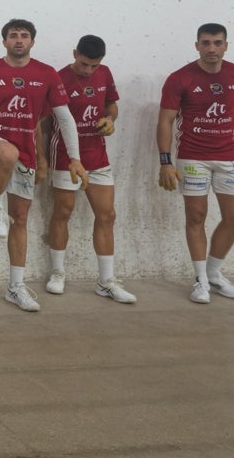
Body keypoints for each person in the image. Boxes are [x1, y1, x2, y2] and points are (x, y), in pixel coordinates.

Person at [0, 18, 86, 313]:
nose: (19, 40)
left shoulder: (46, 74)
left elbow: (65, 117)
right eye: (13, 35)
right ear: (4, 41)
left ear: (32, 41)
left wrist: (76, 157)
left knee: (20, 217)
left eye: (24, 35)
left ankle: (15, 286)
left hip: (26, 147)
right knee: (6, 154)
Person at [157, 23, 234, 304]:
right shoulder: (180, 78)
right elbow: (165, 120)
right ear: (197, 45)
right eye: (206, 42)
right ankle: (200, 280)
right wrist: (165, 161)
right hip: (192, 157)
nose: (212, 48)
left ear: (226, 45)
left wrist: (231, 140)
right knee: (196, 217)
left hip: (229, 158)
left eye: (217, 43)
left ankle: (213, 274)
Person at [42, 35, 135, 304]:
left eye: (94, 66)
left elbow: (111, 105)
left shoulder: (104, 74)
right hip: (65, 157)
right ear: (74, 53)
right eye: (83, 64)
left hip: (98, 159)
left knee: (107, 215)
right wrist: (42, 158)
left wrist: (109, 118)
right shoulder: (58, 78)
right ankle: (57, 273)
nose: (88, 71)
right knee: (63, 211)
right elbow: (44, 120)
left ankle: (106, 281)